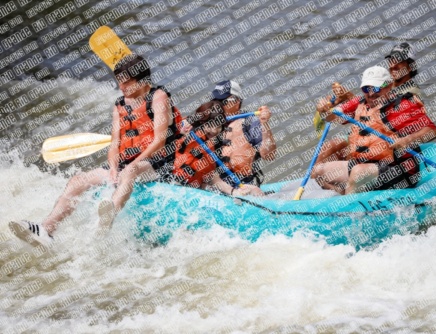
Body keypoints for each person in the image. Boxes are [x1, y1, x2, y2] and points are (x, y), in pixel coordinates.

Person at [10, 54, 183, 246]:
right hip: (128, 162)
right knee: (78, 180)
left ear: (142, 81)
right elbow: (115, 143)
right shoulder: (120, 105)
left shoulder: (159, 97)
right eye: (119, 81)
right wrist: (112, 167)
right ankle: (46, 230)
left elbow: (159, 140)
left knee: (131, 171)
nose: (121, 87)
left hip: (161, 162)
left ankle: (105, 225)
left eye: (126, 82)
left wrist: (131, 165)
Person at [312, 66, 436, 194]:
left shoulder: (402, 106)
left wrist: (407, 140)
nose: (371, 94)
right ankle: (344, 195)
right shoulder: (360, 102)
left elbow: (432, 131)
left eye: (376, 88)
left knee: (359, 172)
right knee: (318, 172)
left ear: (389, 86)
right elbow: (331, 117)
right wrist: (323, 110)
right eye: (366, 89)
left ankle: (349, 207)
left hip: (399, 171)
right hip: (364, 165)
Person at [316, 42, 421, 165]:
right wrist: (337, 104)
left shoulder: (411, 93)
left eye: (399, 62)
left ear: (410, 66)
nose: (393, 65)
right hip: (365, 135)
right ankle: (314, 180)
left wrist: (348, 97)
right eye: (392, 60)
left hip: (382, 141)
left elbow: (378, 113)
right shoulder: (385, 82)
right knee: (329, 147)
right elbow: (367, 105)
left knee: (338, 149)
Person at [172, 100, 263, 196]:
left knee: (255, 190)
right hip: (174, 182)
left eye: (218, 126)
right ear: (201, 122)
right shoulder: (187, 131)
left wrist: (233, 191)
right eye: (209, 125)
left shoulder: (215, 144)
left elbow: (211, 176)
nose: (214, 131)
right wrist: (179, 129)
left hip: (195, 187)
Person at [210, 80, 276, 186]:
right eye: (214, 101)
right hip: (216, 184)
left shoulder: (250, 122)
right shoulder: (208, 123)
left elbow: (269, 155)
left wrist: (264, 124)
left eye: (223, 101)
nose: (217, 106)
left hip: (244, 185)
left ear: (236, 102)